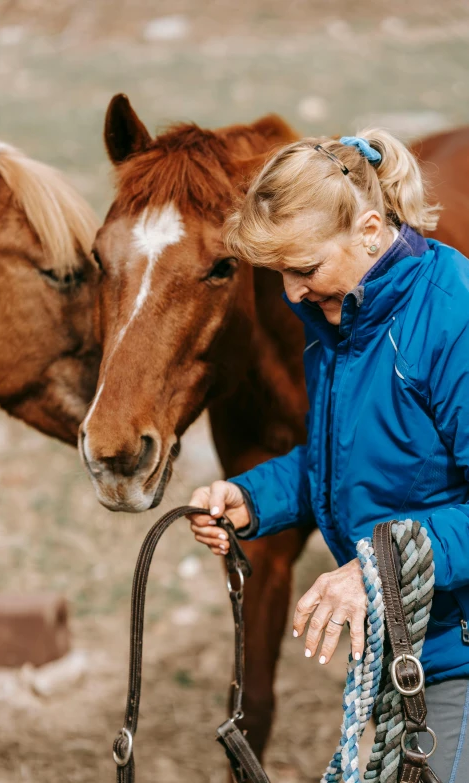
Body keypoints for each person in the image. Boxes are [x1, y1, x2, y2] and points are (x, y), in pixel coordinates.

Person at [188, 131, 469, 780]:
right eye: (278, 273)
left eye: (304, 269)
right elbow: (345, 458)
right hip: (406, 646)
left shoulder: (451, 316)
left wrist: (377, 567)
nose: (290, 294)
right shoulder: (337, 328)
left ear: (370, 229)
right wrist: (255, 497)